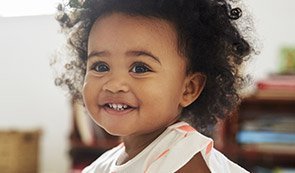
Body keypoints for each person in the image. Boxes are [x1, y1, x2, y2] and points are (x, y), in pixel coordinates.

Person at [54, 0, 255, 172]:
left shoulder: (183, 159)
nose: (114, 85)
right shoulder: (102, 165)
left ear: (189, 88)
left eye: (140, 68)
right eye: (100, 66)